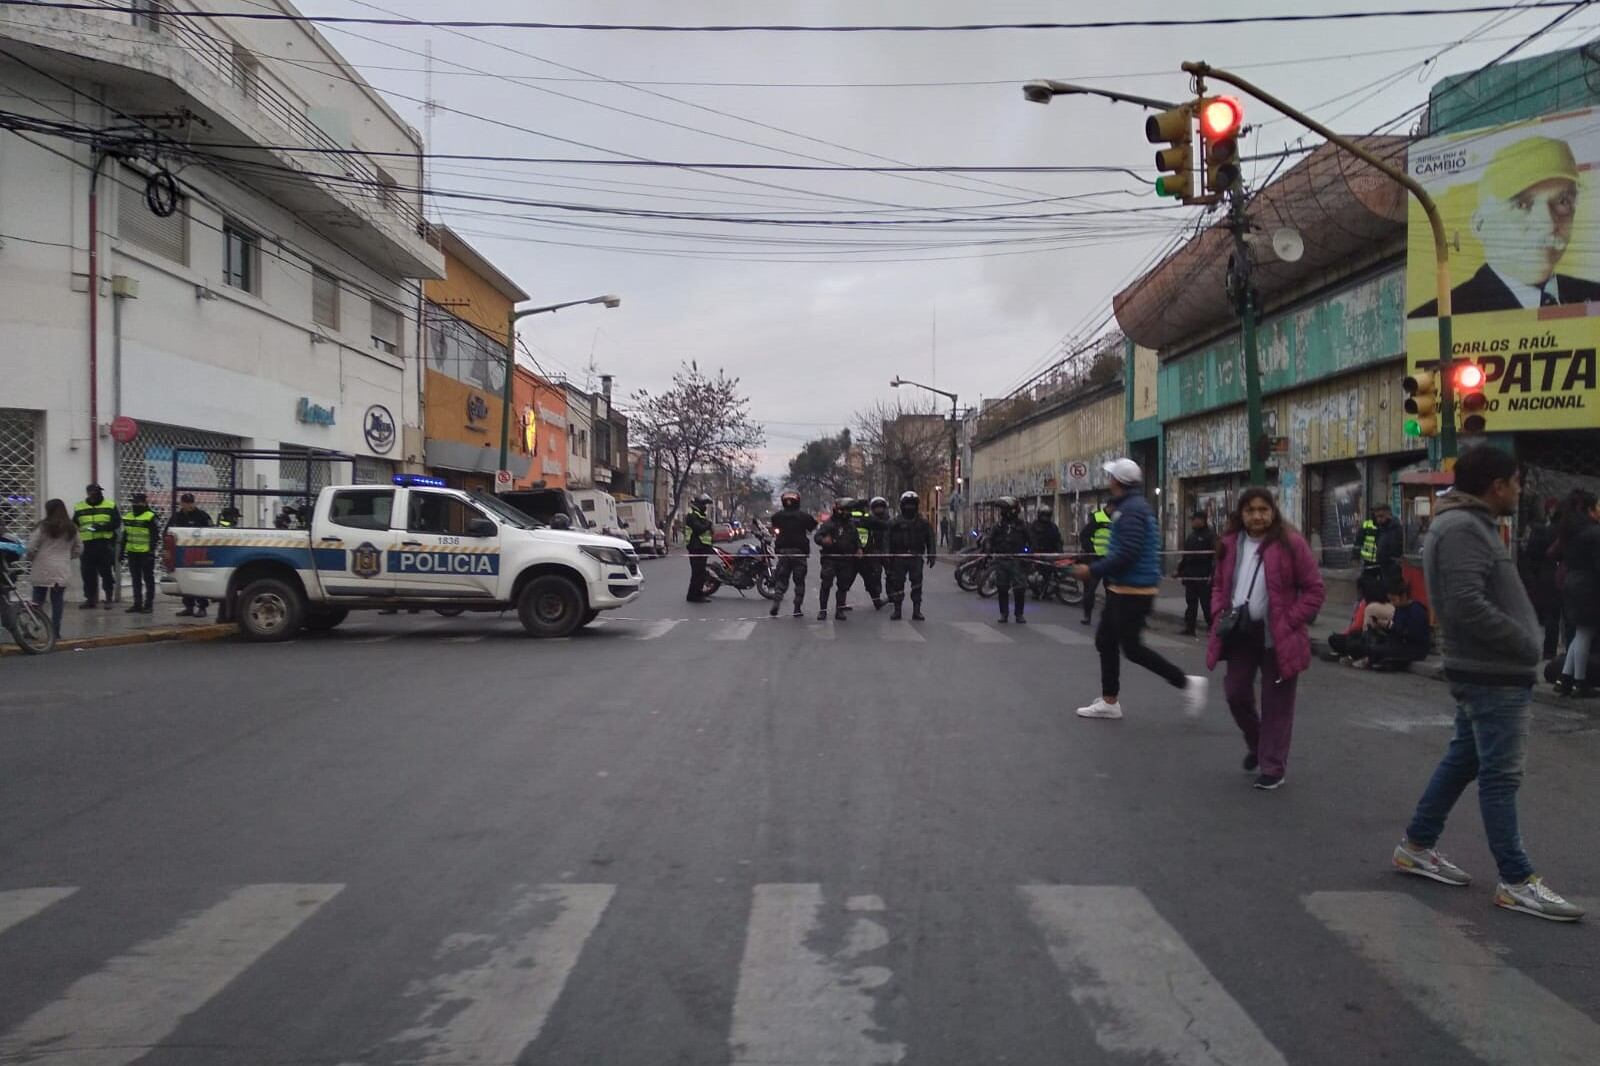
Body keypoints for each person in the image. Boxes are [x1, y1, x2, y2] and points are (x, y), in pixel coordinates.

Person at [1392, 445, 1583, 922]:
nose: (1521, 491)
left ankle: (1417, 844)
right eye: (1517, 482)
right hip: (1491, 671)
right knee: (1501, 776)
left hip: (1486, 668)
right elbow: (1463, 603)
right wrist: (1522, 642)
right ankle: (1516, 879)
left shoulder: (1465, 523)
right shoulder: (1461, 528)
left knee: (1465, 760)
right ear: (1497, 485)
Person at [1206, 488, 1325, 789]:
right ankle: (1257, 743)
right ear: (1241, 514)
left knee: (1278, 705)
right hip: (1240, 633)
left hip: (1279, 636)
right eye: (1250, 510)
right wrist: (1219, 610)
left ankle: (1273, 766)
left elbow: (1314, 590)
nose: (1257, 516)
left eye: (1263, 509)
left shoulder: (1291, 543)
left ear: (1273, 511)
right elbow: (1219, 584)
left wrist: (1289, 620)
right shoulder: (1230, 544)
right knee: (1235, 692)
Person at [1071, 459, 1208, 720]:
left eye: (1110, 476)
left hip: (1133, 590)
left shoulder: (1131, 510)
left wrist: (1092, 570)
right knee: (1105, 640)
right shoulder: (1129, 507)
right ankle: (1110, 701)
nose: (1108, 479)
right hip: (1123, 587)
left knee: (1132, 648)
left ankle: (1187, 683)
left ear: (1117, 481)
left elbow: (1127, 552)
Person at [1409, 136, 1600, 318]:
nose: (1547, 225)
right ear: (1480, 224)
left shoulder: (1593, 296)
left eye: (1563, 201)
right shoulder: (1438, 316)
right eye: (1522, 205)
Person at [1554, 489, 1599, 698]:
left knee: (1581, 633)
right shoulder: (1593, 532)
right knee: (1585, 632)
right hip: (1588, 585)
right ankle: (1580, 683)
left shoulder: (1572, 529)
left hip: (1572, 583)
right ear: (1590, 509)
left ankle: (1565, 678)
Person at [24, 499, 80, 637]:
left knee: (37, 599)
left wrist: (31, 558)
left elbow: (30, 547)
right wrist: (68, 556)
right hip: (61, 568)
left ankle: (32, 628)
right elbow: (79, 548)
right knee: (57, 601)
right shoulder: (72, 528)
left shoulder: (43, 527)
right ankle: (55, 631)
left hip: (42, 567)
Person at [1519, 501, 1563, 660]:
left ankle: (1549, 650)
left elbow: (1532, 554)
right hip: (1560, 575)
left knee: (1551, 616)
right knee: (1563, 618)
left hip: (1546, 575)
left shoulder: (1544, 530)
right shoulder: (1565, 533)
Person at [885, 490, 935, 621]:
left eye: (912, 505)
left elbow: (930, 538)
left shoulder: (923, 523)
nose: (910, 508)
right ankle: (897, 610)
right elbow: (887, 540)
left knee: (917, 584)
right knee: (898, 584)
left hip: (916, 556)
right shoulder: (894, 523)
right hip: (898, 557)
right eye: (907, 504)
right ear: (902, 505)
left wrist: (932, 554)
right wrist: (887, 557)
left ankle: (916, 610)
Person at [768, 490, 817, 618]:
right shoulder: (804, 516)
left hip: (783, 553)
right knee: (799, 581)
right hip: (799, 553)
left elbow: (773, 524)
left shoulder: (777, 516)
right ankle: (797, 608)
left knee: (781, 579)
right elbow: (813, 526)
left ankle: (776, 601)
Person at [72, 482, 119, 609]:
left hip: (104, 544)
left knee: (106, 573)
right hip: (87, 545)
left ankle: (108, 598)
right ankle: (90, 599)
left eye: (99, 491)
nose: (97, 494)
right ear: (88, 493)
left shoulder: (110, 505)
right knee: (87, 574)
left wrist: (102, 527)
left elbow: (116, 523)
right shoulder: (79, 507)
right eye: (94, 492)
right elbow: (75, 524)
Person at [986, 497, 1032, 624]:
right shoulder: (999, 525)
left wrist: (1029, 555)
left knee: (1019, 588)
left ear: (1012, 510)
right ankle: (1004, 613)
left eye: (1004, 509)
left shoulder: (1022, 525)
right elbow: (990, 539)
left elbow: (1032, 541)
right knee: (1002, 587)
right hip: (1002, 559)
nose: (1002, 512)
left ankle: (1019, 614)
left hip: (1017, 560)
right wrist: (989, 549)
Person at [167, 493, 214, 616]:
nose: (188, 505)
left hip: (199, 554)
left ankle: (202, 607)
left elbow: (211, 533)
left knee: (199, 581)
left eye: (190, 502)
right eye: (186, 502)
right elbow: (168, 532)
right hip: (182, 554)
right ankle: (188, 606)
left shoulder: (202, 516)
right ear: (181, 503)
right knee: (185, 580)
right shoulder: (177, 517)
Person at [814, 498, 860, 620]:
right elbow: (817, 536)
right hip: (830, 558)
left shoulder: (850, 524)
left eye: (848, 511)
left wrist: (859, 548)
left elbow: (856, 539)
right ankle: (823, 610)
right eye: (845, 510)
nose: (847, 513)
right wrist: (824, 541)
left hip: (846, 559)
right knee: (826, 584)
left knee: (843, 586)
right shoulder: (829, 524)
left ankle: (839, 610)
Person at [1177, 510, 1217, 636]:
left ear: (1202, 520)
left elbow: (1215, 557)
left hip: (1203, 574)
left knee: (1206, 603)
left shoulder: (1210, 535)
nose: (1193, 522)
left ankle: (1212, 627)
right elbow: (1186, 556)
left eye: (1195, 519)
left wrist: (1213, 573)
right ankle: (1190, 627)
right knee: (1191, 602)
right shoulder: (1191, 536)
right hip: (1190, 574)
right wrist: (1179, 571)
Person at [120, 491, 159, 614]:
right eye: (133, 502)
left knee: (148, 579)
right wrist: (121, 551)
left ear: (144, 503)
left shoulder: (150, 516)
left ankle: (148, 604)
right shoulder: (128, 516)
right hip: (132, 552)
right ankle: (137, 603)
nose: (135, 504)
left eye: (138, 502)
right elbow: (125, 535)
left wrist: (151, 552)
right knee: (135, 579)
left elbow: (155, 536)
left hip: (145, 553)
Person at [1356, 503, 1403, 601]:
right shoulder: (1382, 528)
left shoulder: (1396, 528)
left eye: (1381, 516)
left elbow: (1396, 549)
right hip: (1376, 565)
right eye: (1377, 517)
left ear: (1389, 514)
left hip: (1392, 571)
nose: (1379, 520)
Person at [1078, 501, 1114, 626]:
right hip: (1096, 559)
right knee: (1090, 589)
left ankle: (1109, 617)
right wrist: (1091, 550)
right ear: (1109, 507)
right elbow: (1084, 536)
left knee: (1111, 590)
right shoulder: (1097, 518)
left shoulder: (1118, 519)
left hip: (1110, 560)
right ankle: (1087, 616)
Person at [852, 497, 889, 610]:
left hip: (851, 554)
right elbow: (885, 525)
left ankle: (840, 606)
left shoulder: (849, 517)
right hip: (866, 553)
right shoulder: (867, 518)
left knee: (845, 581)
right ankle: (877, 601)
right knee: (870, 579)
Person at [684, 493, 714, 603]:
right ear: (699, 504)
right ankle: (692, 596)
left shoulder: (700, 516)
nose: (705, 507)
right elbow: (699, 529)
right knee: (697, 573)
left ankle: (699, 593)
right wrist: (708, 525)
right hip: (695, 548)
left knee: (701, 573)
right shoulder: (692, 516)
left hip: (701, 548)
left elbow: (706, 533)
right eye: (704, 504)